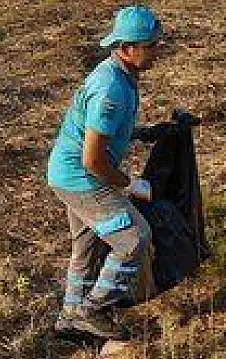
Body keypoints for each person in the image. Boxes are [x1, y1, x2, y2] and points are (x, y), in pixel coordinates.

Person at [46, 5, 165, 341]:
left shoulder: (118, 76)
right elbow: (93, 160)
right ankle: (94, 310)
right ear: (127, 48)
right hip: (82, 178)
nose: (157, 50)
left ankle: (69, 319)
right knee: (134, 238)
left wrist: (143, 132)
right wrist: (130, 184)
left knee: (86, 247)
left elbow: (101, 129)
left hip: (66, 174)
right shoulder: (110, 89)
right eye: (151, 45)